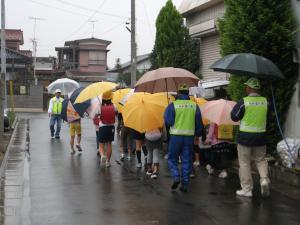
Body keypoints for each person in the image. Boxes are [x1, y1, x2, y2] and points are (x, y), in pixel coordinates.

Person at [231, 77, 270, 198]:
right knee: (261, 159)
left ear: (249, 88)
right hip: (261, 136)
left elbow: (234, 117)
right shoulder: (266, 102)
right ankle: (264, 179)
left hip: (245, 138)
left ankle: (247, 189)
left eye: (246, 87)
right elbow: (269, 114)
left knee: (244, 163)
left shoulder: (243, 102)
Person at [164, 83, 203, 192]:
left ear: (178, 93)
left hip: (175, 137)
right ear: (188, 94)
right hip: (189, 137)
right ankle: (185, 184)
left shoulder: (173, 105)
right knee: (187, 160)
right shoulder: (194, 105)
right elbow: (199, 123)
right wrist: (198, 135)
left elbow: (169, 122)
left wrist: (167, 113)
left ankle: (176, 176)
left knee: (172, 158)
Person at [98, 91, 116, 167]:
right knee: (109, 144)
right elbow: (116, 113)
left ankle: (102, 155)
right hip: (111, 127)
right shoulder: (114, 106)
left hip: (102, 126)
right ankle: (108, 162)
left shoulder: (99, 106)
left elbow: (96, 115)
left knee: (101, 144)